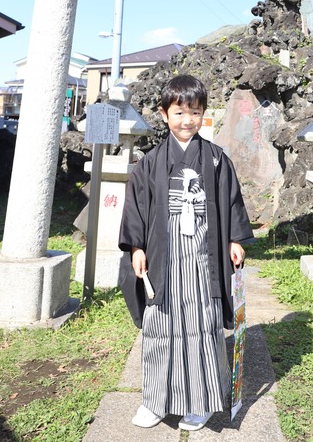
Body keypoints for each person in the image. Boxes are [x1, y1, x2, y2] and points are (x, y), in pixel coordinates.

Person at [118, 74, 254, 432]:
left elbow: (231, 201)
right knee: (159, 326)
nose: (187, 120)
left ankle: (201, 402)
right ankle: (155, 400)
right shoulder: (149, 162)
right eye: (179, 113)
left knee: (201, 326)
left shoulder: (215, 159)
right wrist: (136, 247)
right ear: (165, 115)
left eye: (194, 112)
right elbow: (135, 208)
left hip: (202, 257)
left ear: (203, 115)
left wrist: (235, 239)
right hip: (163, 257)